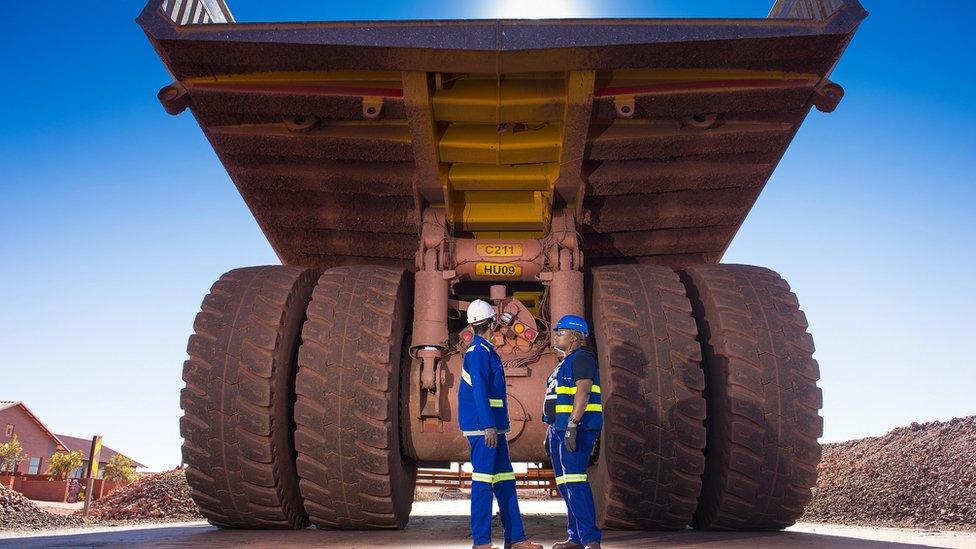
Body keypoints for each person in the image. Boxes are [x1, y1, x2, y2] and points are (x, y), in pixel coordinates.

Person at [458, 299, 542, 549]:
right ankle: (481, 542)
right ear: (492, 322)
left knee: (505, 481)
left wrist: (497, 426)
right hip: (485, 430)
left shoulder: (484, 351)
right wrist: (488, 426)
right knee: (483, 482)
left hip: (495, 428)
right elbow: (480, 392)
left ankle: (516, 539)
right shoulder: (477, 353)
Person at [543, 315, 603, 549]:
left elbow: (584, 392)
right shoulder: (565, 361)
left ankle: (590, 539)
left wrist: (572, 424)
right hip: (558, 429)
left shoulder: (582, 358)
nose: (557, 334)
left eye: (562, 331)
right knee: (565, 483)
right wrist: (551, 430)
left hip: (576, 428)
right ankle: (575, 537)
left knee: (576, 482)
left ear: (575, 337)